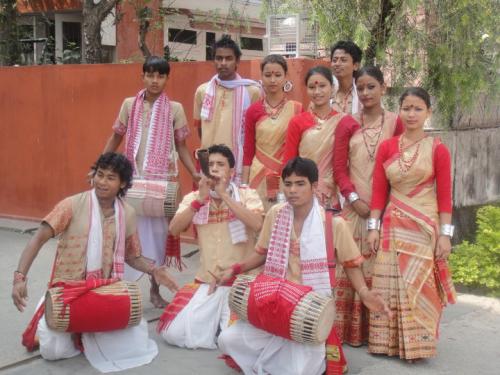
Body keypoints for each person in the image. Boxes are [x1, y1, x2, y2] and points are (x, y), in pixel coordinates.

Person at [217, 157, 391, 375]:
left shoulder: (333, 223)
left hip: (308, 313)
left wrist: (365, 293)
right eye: (288, 184)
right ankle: (271, 359)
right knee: (227, 340)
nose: (292, 190)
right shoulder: (275, 214)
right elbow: (261, 254)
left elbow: (351, 265)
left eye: (300, 184)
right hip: (275, 304)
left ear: (314, 186)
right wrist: (235, 269)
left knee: (298, 370)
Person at [11, 153, 179, 372]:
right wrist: (19, 277)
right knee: (54, 351)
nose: (102, 182)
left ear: (123, 184)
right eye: (100, 174)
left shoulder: (127, 213)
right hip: (68, 293)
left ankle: (86, 332)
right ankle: (63, 323)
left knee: (136, 341)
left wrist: (154, 270)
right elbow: (38, 237)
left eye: (110, 178)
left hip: (103, 293)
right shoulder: (71, 205)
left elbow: (132, 256)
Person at [367, 87, 456, 361]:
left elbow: (445, 197)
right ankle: (387, 343)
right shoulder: (387, 147)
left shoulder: (438, 149)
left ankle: (418, 346)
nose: (411, 113)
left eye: (418, 108)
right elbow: (379, 191)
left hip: (423, 226)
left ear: (429, 112)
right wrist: (373, 226)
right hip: (392, 224)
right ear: (400, 110)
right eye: (406, 107)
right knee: (390, 283)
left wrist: (445, 235)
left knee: (418, 283)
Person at [102, 56, 198, 308]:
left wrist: (195, 173)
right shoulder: (129, 104)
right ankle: (122, 290)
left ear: (167, 78)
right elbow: (116, 138)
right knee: (126, 234)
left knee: (157, 239)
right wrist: (100, 167)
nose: (155, 81)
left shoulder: (175, 108)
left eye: (160, 76)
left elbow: (182, 146)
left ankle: (155, 290)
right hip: (131, 180)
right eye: (150, 75)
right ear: (142, 76)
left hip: (159, 184)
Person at [157, 144, 264, 349]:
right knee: (174, 333)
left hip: (241, 283)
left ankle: (220, 328)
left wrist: (224, 195)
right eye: (210, 164)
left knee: (233, 342)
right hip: (208, 283)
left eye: (220, 164)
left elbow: (257, 224)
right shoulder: (194, 198)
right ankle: (216, 326)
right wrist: (200, 200)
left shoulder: (246, 194)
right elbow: (174, 229)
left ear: (231, 172)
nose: (214, 168)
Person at [332, 66, 404, 346]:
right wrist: (353, 199)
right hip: (353, 206)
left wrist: (380, 205)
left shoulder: (396, 123)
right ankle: (347, 333)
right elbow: (339, 168)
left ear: (383, 88)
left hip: (385, 205)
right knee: (349, 263)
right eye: (360, 88)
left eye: (371, 87)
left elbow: (400, 165)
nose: (365, 93)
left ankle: (380, 335)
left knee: (381, 266)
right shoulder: (347, 122)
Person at [193, 35, 261, 184]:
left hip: (238, 165)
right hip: (208, 164)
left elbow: (255, 133)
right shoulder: (203, 91)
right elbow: (200, 129)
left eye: (229, 58)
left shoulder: (252, 92)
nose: (223, 63)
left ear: (237, 61)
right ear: (213, 60)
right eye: (219, 58)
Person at [242, 54, 302, 211]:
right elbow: (248, 151)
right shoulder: (252, 111)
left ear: (285, 77)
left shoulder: (297, 109)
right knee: (257, 224)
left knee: (286, 224)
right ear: (261, 77)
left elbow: (299, 149)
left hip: (287, 175)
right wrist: (243, 186)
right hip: (257, 175)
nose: (273, 80)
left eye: (277, 75)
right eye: (268, 75)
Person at [283, 65, 344, 210]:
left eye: (322, 86)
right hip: (303, 193)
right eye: (312, 87)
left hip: (333, 194)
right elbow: (288, 162)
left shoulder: (343, 121)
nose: (317, 92)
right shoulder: (297, 122)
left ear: (332, 88)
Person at [330, 41, 363, 114]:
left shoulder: (364, 92)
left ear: (355, 65)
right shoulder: (325, 91)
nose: (337, 64)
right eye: (334, 60)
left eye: (343, 60)